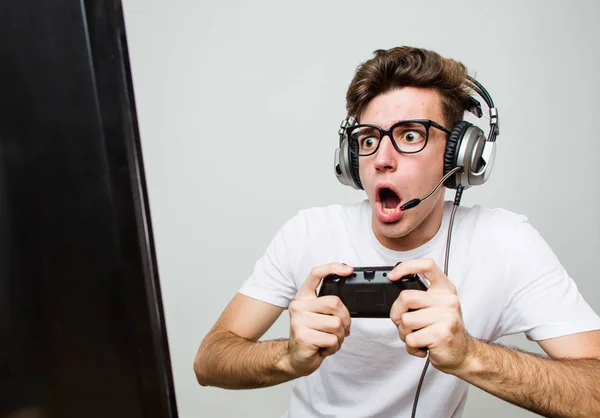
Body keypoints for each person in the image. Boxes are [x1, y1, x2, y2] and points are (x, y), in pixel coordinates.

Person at [193, 46, 600, 417]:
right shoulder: (308, 232)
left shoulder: (506, 243)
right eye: (368, 139)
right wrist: (288, 356)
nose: (382, 159)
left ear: (459, 154)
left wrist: (469, 356)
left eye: (409, 135)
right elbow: (209, 361)